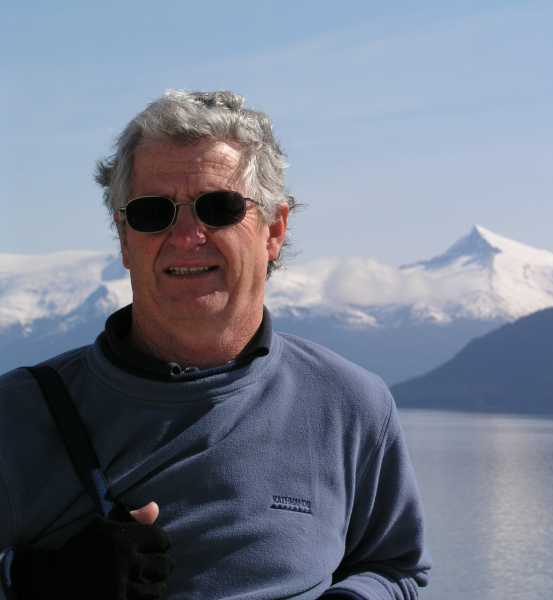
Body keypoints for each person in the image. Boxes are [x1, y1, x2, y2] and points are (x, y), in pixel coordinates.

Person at [0, 90, 430, 600]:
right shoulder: (18, 414)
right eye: (153, 212)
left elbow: (395, 567)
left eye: (218, 208)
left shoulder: (350, 404)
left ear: (274, 230)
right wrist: (29, 580)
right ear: (124, 237)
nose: (186, 236)